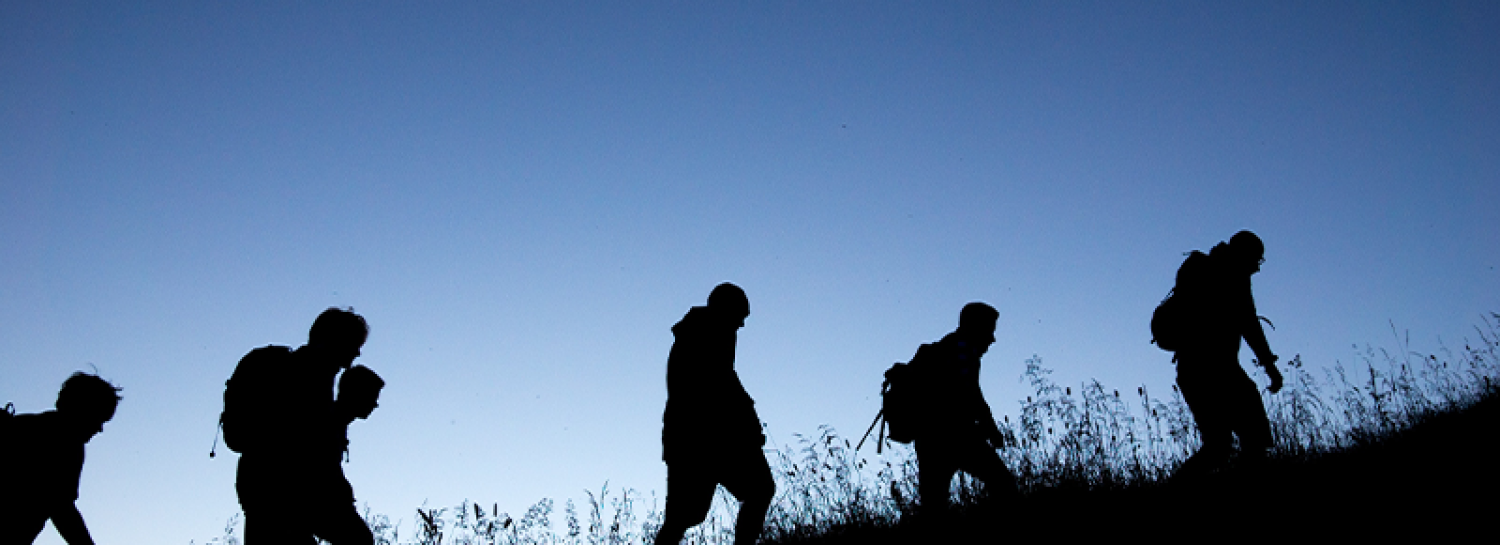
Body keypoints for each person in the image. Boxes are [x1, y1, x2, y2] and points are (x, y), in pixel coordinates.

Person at [233, 307, 374, 545]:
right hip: (286, 492)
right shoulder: (313, 372)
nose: (358, 352)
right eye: (355, 343)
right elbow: (313, 447)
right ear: (338, 338)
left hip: (259, 485)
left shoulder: (304, 369)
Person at [655, 283, 774, 545]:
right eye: (740, 315)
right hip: (704, 439)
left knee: (684, 516)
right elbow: (722, 385)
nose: (742, 324)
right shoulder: (708, 334)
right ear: (726, 309)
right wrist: (748, 424)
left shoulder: (701, 333)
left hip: (695, 437)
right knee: (686, 515)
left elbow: (725, 383)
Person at [1172, 230, 1283, 480]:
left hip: (1193, 370)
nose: (1257, 267)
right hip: (1217, 371)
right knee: (1248, 439)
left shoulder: (1199, 268)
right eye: (1256, 259)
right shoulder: (1233, 277)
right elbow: (1250, 326)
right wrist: (1271, 368)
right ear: (1244, 255)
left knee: (1220, 447)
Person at [911, 302, 1018, 518]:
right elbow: (969, 392)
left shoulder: (947, 347)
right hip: (956, 437)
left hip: (929, 439)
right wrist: (991, 429)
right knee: (1003, 484)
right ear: (975, 326)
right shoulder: (962, 350)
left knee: (933, 506)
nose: (992, 338)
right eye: (989, 330)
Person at [0, 372, 122, 545]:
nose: (100, 428)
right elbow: (61, 508)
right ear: (83, 410)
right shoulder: (67, 445)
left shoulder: (23, 424)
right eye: (99, 418)